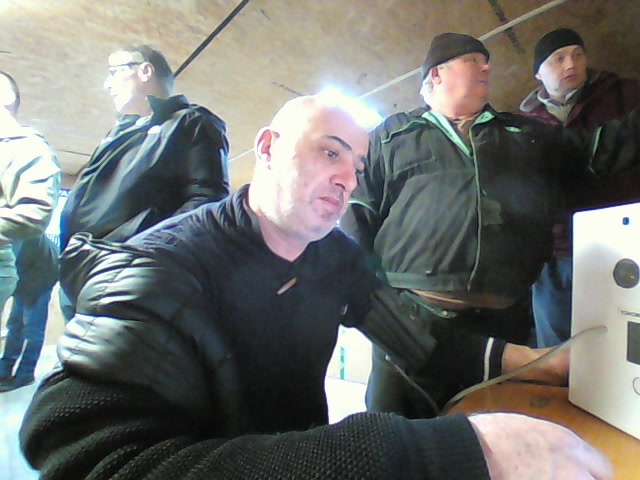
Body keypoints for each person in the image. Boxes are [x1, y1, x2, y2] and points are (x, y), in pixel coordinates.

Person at [19, 94, 612, 480]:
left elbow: (421, 341)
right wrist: (447, 453)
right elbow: (88, 458)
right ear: (268, 147)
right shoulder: (161, 268)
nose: (347, 179)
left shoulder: (333, 257)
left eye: (356, 166)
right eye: (330, 152)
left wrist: (544, 363)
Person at [341, 32, 640, 419]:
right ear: (436, 74)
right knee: (395, 434)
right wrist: (376, 305)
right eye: (472, 59)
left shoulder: (524, 133)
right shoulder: (390, 136)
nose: (487, 66)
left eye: (486, 60)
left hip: (505, 323)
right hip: (413, 321)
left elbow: (599, 151)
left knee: (493, 438)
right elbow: (356, 221)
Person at [58, 44, 230, 320]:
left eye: (114, 72)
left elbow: (206, 202)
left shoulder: (191, 122)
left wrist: (134, 257)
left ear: (145, 71)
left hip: (123, 276)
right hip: (79, 270)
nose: (107, 84)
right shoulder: (120, 131)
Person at [519, 28, 640, 347]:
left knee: (625, 344)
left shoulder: (626, 95)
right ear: (538, 73)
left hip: (625, 240)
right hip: (560, 253)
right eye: (558, 58)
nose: (571, 64)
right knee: (556, 349)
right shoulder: (523, 126)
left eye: (577, 54)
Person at [0, 70, 59, 314]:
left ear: (6, 96)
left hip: (26, 276)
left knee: (29, 326)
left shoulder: (26, 146)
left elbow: (35, 212)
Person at [0, 234, 58, 392]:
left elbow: (8, 269)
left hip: (42, 276)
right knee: (15, 324)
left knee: (33, 330)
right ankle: (4, 370)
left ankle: (26, 374)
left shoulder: (15, 233)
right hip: (25, 272)